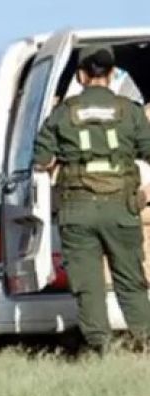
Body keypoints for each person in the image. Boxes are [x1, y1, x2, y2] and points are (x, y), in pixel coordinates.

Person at [34, 44, 150, 356]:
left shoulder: (61, 114)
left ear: (81, 75)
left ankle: (101, 348)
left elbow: (41, 161)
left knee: (89, 285)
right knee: (130, 279)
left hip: (78, 209)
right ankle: (146, 341)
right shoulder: (131, 112)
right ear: (112, 75)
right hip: (122, 208)